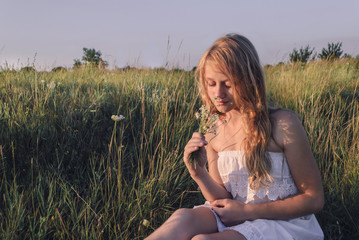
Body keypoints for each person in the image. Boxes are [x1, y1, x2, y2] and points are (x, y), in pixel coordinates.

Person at [145, 33, 324, 240]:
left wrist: (248, 212)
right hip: (235, 216)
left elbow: (314, 199)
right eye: (211, 84)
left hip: (281, 223)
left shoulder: (283, 124)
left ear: (249, 80)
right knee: (182, 218)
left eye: (227, 84)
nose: (218, 93)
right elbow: (223, 198)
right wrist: (198, 173)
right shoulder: (213, 128)